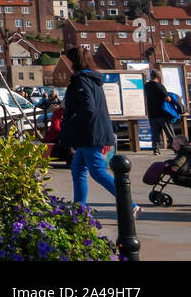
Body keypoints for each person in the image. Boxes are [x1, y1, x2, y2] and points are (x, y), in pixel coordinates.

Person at [62, 46, 138, 218]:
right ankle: (79, 207)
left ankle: (130, 204)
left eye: (68, 60)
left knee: (98, 171)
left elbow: (89, 108)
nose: (67, 64)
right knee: (78, 169)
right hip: (90, 134)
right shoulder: (91, 79)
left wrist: (73, 120)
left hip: (90, 134)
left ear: (74, 61)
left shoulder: (81, 81)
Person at [144, 69, 177, 154]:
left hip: (152, 114)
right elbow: (168, 98)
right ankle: (176, 149)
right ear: (158, 77)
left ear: (151, 76)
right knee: (170, 133)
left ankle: (156, 150)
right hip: (162, 113)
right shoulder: (159, 86)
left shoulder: (146, 86)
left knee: (155, 133)